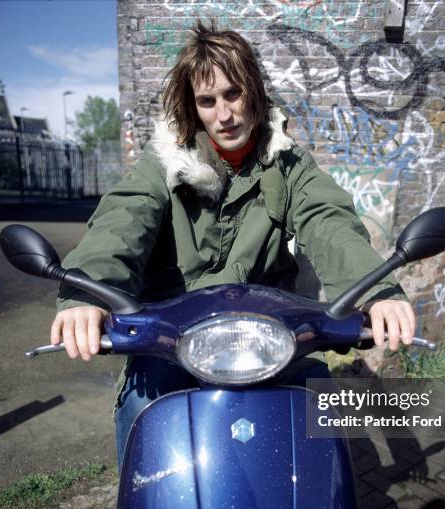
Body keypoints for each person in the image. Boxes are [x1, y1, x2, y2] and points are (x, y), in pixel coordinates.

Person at [52, 22, 415, 465]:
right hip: (172, 339)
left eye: (233, 93)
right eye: (207, 101)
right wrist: (88, 291)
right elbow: (124, 217)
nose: (223, 115)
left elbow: (327, 219)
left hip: (267, 336)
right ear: (193, 107)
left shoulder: (287, 164)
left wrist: (374, 291)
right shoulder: (164, 164)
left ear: (255, 93)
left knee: (320, 411)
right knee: (142, 411)